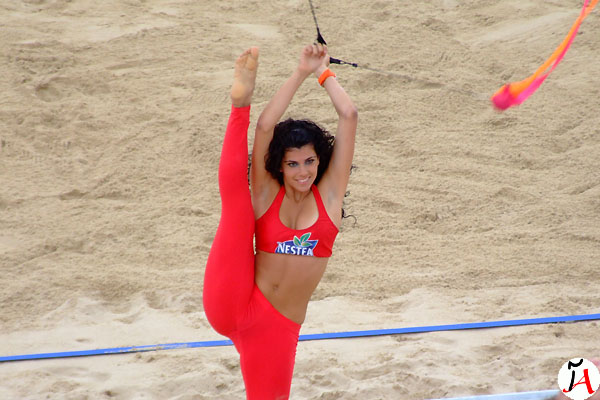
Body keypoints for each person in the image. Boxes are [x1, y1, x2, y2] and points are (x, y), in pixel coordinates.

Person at [203, 43, 357, 399]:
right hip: (236, 298)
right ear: (281, 166)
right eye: (292, 164)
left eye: (309, 162)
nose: (302, 172)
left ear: (320, 161)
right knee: (236, 200)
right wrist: (301, 71)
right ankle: (237, 103)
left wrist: (325, 73)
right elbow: (266, 125)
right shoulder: (268, 192)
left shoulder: (330, 196)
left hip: (274, 326)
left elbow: (348, 115)